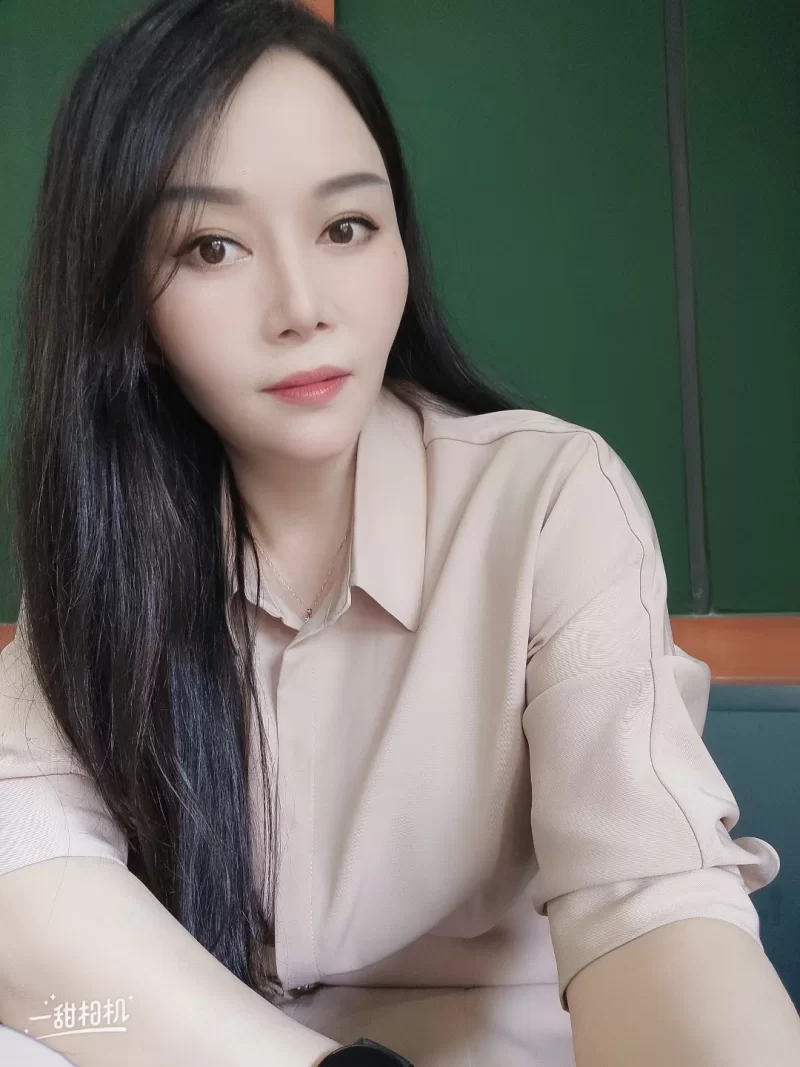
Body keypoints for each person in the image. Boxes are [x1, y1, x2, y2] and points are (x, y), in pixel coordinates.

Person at [0, 1, 798, 1065]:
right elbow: (25, 868)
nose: (301, 307)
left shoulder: (547, 497)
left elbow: (651, 899)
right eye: (212, 246)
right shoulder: (109, 545)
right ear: (126, 307)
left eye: (345, 227)